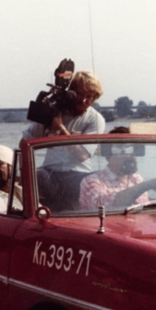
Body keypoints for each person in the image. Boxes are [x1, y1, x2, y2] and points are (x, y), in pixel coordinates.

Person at [20, 70, 106, 211]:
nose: (84, 100)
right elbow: (23, 144)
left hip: (78, 175)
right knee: (36, 175)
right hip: (49, 173)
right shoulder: (52, 112)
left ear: (95, 98)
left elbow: (82, 155)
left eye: (89, 97)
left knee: (93, 181)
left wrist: (60, 129)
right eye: (80, 94)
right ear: (71, 92)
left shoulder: (95, 119)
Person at [79, 127, 156, 210]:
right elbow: (105, 206)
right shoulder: (91, 182)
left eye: (134, 149)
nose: (132, 156)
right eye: (124, 150)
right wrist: (148, 185)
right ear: (108, 153)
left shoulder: (137, 179)